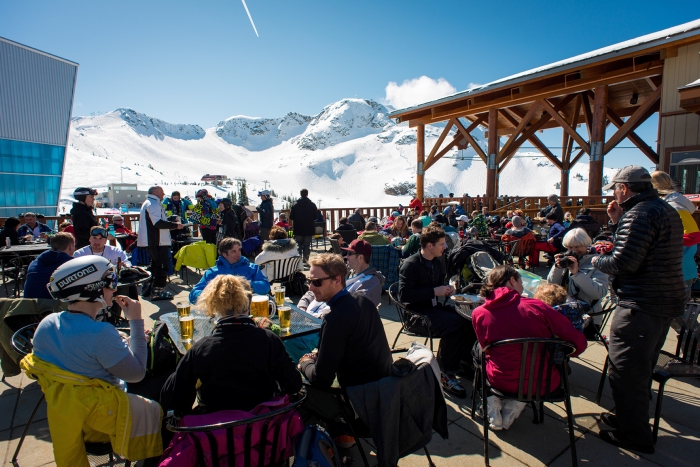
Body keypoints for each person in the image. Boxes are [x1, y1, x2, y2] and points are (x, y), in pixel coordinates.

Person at [591, 166, 685, 453]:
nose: (614, 193)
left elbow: (624, 263)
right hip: (661, 301)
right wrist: (618, 223)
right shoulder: (663, 209)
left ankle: (635, 435)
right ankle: (628, 419)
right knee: (640, 368)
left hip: (641, 304)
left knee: (626, 371)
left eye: (615, 189)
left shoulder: (640, 213)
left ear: (624, 188)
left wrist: (596, 261)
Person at [161, 275, 302, 416]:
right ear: (248, 302)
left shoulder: (201, 349)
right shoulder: (269, 339)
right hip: (263, 426)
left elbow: (175, 399)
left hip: (217, 430)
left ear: (214, 306)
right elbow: (294, 384)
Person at [471, 265, 587, 430]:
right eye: (520, 281)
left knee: (478, 351)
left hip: (499, 380)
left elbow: (487, 349)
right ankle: (511, 403)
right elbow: (577, 343)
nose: (523, 286)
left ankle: (490, 399)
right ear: (512, 280)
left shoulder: (479, 312)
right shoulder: (538, 307)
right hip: (543, 383)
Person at [299, 254, 392, 443]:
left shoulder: (335, 319)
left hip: (358, 406)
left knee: (294, 390)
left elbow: (321, 380)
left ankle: (330, 441)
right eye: (309, 281)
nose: (310, 288)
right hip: (385, 396)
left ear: (337, 280)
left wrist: (305, 363)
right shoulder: (363, 302)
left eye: (316, 282)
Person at [33, 256, 147, 390]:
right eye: (112, 281)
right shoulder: (101, 332)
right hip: (105, 405)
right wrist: (135, 320)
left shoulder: (47, 322)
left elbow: (81, 351)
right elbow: (136, 374)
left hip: (62, 403)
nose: (115, 289)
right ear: (93, 288)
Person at [398, 224, 474, 398]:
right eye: (442, 244)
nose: (445, 247)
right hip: (416, 315)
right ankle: (445, 373)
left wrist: (448, 288)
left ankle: (461, 362)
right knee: (454, 324)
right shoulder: (411, 265)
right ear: (430, 246)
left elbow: (437, 286)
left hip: (432, 308)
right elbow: (404, 295)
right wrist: (434, 291)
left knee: (468, 317)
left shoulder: (437, 262)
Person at [547, 228, 610, 337]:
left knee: (550, 331)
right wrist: (557, 267)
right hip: (564, 312)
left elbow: (600, 292)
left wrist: (577, 274)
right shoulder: (566, 258)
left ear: (585, 244)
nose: (574, 250)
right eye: (570, 247)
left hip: (587, 318)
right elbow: (551, 284)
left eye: (577, 247)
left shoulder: (598, 262)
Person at [651, 170, 700, 304]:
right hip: (676, 270)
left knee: (678, 316)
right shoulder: (670, 204)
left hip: (679, 271)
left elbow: (693, 236)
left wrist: (662, 240)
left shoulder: (675, 206)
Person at [190, 237, 270, 303]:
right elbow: (193, 296)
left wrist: (244, 284)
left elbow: (265, 287)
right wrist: (216, 292)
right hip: (221, 312)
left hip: (247, 309)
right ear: (224, 254)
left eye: (239, 250)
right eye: (233, 251)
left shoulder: (252, 267)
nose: (238, 254)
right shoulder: (212, 272)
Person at [138, 186, 184, 301]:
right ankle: (158, 291)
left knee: (155, 264)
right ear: (155, 192)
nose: (163, 194)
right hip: (156, 240)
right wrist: (175, 226)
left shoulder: (149, 203)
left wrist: (171, 222)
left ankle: (148, 287)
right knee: (162, 265)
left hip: (152, 240)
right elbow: (158, 223)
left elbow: (157, 221)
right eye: (161, 192)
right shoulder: (152, 204)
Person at [23, 232, 75, 299]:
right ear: (70, 247)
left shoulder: (36, 261)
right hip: (50, 305)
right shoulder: (70, 263)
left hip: (27, 303)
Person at [289, 188, 318, 263]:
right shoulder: (312, 205)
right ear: (307, 194)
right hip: (308, 229)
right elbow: (316, 217)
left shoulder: (295, 205)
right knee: (306, 245)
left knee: (298, 245)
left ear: (300, 194)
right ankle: (306, 260)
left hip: (298, 228)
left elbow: (291, 217)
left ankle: (298, 262)